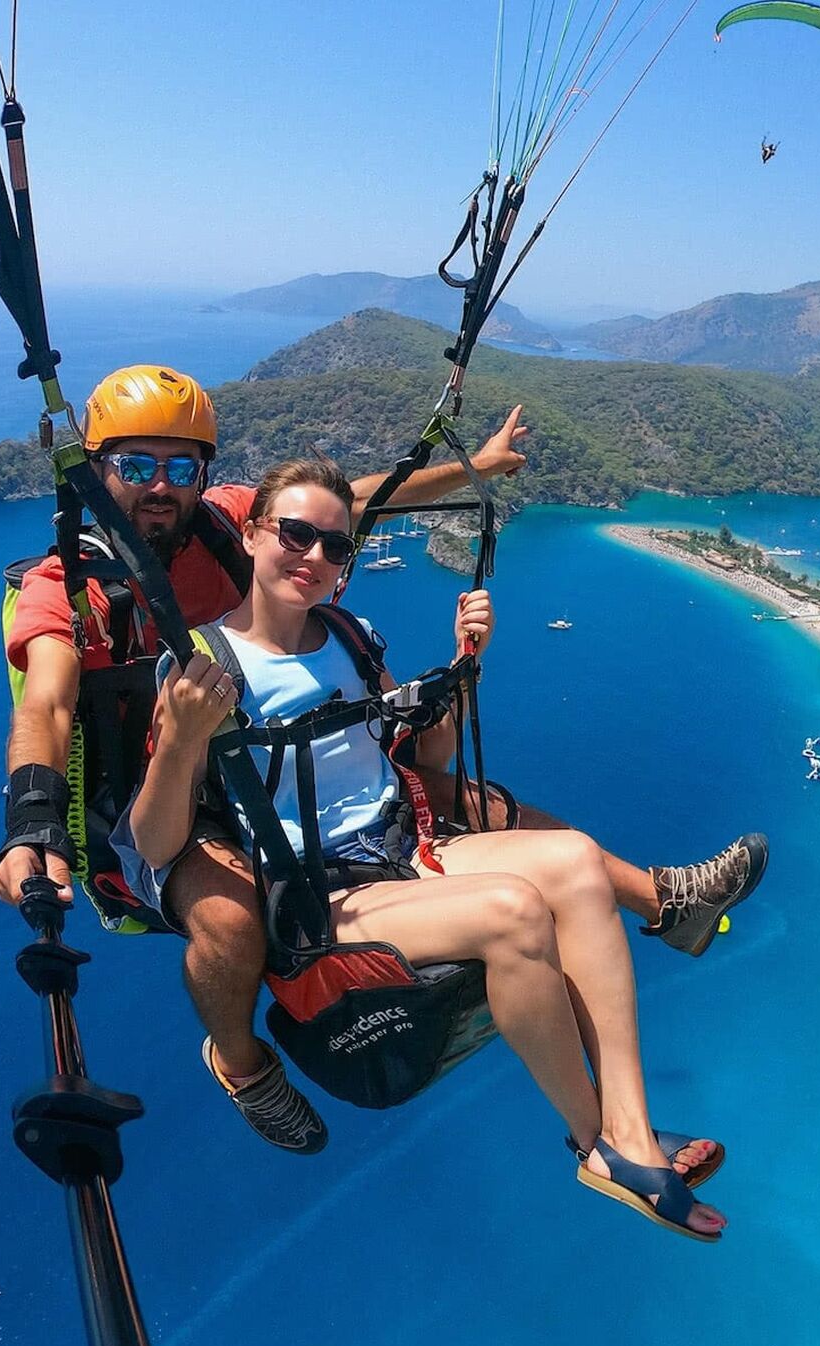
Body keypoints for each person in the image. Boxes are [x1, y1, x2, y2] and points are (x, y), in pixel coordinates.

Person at [0, 364, 768, 1155]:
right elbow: (47, 705)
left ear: (206, 474)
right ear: (98, 468)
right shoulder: (68, 585)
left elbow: (351, 500)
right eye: (137, 466)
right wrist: (32, 826)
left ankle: (666, 906)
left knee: (470, 798)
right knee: (230, 922)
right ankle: (242, 1063)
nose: (161, 487)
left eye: (180, 467)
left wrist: (487, 467)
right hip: (172, 785)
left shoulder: (233, 526)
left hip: (277, 756)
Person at [115, 457, 730, 1240]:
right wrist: (180, 745)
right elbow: (156, 843)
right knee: (513, 912)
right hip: (317, 897)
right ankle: (597, 1144)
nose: (315, 559)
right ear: (251, 533)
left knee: (574, 860)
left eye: (336, 548)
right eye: (296, 535)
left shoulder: (350, 635)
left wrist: (464, 667)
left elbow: (426, 763)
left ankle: (636, 1130)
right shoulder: (205, 668)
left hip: (403, 850)